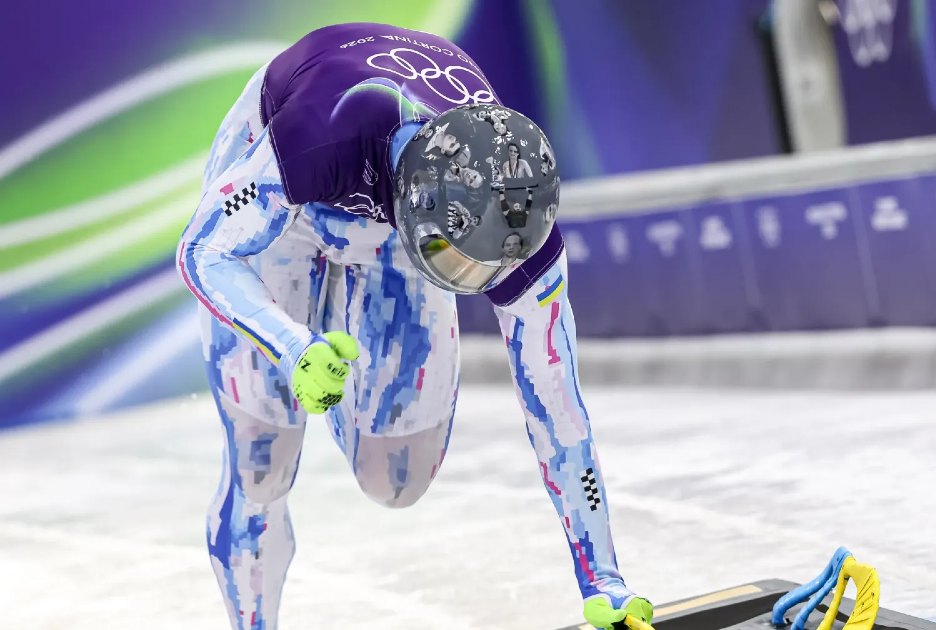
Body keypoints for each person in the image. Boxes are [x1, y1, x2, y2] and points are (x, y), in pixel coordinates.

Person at [176, 22, 652, 630]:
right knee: (262, 464)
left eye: (476, 271)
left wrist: (603, 578)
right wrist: (292, 345)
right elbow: (204, 252)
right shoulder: (317, 136)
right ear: (416, 207)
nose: (470, 279)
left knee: (396, 478)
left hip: (396, 226)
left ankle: (341, 346)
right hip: (289, 201)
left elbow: (560, 414)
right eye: (453, 263)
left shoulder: (519, 227)